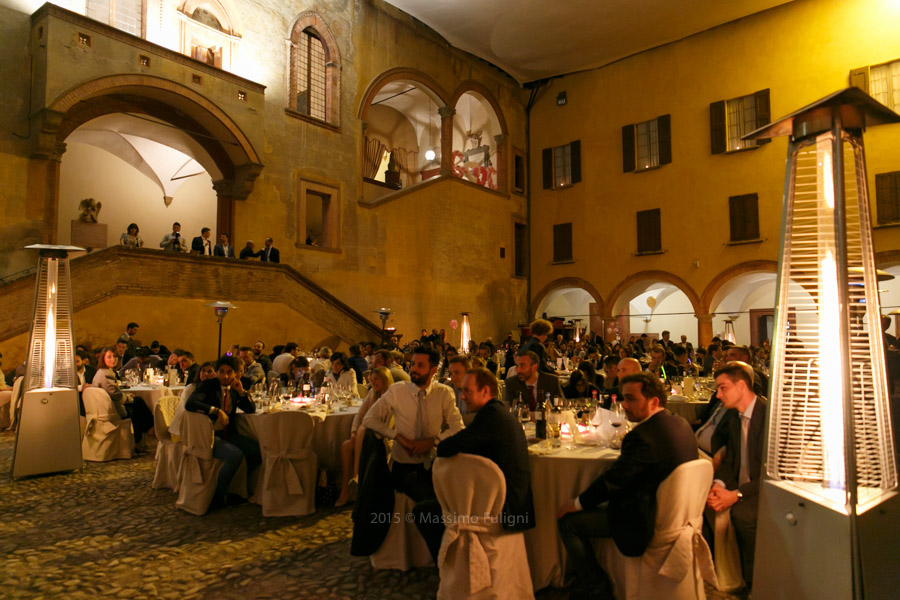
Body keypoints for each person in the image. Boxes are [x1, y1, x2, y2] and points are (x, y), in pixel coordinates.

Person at [557, 372, 698, 600]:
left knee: (568, 522)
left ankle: (596, 588)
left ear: (653, 401)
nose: (624, 405)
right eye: (623, 398)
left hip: (645, 518)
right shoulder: (679, 423)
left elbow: (614, 481)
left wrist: (576, 503)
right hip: (679, 513)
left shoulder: (643, 436)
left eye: (631, 399)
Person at [413, 367, 536, 561]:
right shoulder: (498, 413)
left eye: (468, 391)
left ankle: (449, 566)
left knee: (423, 511)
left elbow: (446, 448)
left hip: (505, 510)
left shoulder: (490, 418)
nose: (462, 397)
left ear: (486, 391)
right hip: (511, 501)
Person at [362, 346, 464, 503]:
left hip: (435, 463)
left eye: (420, 365)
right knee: (432, 501)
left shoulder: (443, 393)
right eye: (413, 364)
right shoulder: (397, 390)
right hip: (404, 466)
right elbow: (369, 419)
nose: (413, 369)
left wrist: (433, 441)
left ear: (433, 370)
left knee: (458, 493)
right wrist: (398, 437)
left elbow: (458, 427)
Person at [703, 361, 767, 587]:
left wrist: (736, 495)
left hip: (765, 490)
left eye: (723, 388)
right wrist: (719, 485)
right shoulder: (733, 417)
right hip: (743, 486)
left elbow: (770, 474)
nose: (718, 395)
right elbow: (730, 461)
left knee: (742, 515)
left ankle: (756, 582)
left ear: (741, 386)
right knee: (704, 502)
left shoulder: (767, 416)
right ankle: (724, 575)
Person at [185, 355, 261, 510]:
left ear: (235, 374)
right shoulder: (209, 385)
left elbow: (251, 409)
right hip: (210, 435)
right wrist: (216, 410)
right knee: (235, 455)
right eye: (221, 372)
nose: (225, 376)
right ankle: (219, 496)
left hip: (229, 433)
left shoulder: (235, 387)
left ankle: (237, 488)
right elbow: (190, 403)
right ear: (217, 372)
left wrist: (241, 392)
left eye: (229, 372)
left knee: (256, 451)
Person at [335, 366, 394, 507]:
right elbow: (360, 415)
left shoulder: (391, 396)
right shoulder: (372, 394)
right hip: (365, 435)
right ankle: (345, 490)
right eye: (371, 380)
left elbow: (388, 424)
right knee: (346, 446)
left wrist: (361, 430)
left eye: (376, 379)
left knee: (363, 430)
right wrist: (353, 432)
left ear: (385, 380)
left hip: (382, 437)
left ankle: (358, 478)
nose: (373, 383)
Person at [92, 346, 154, 451]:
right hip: (110, 408)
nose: (113, 359)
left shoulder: (103, 372)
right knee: (137, 403)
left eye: (115, 356)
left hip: (106, 405)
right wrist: (129, 397)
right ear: (103, 359)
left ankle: (144, 434)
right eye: (109, 357)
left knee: (137, 403)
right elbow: (116, 395)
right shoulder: (105, 374)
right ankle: (149, 430)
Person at [169, 361, 216, 438]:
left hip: (200, 427)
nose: (205, 374)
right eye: (203, 370)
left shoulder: (213, 389)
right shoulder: (191, 388)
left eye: (209, 371)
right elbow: (189, 410)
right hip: (182, 429)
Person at [446, 355, 472, 423]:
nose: (453, 377)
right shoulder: (447, 388)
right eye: (451, 373)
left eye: (456, 373)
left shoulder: (480, 391)